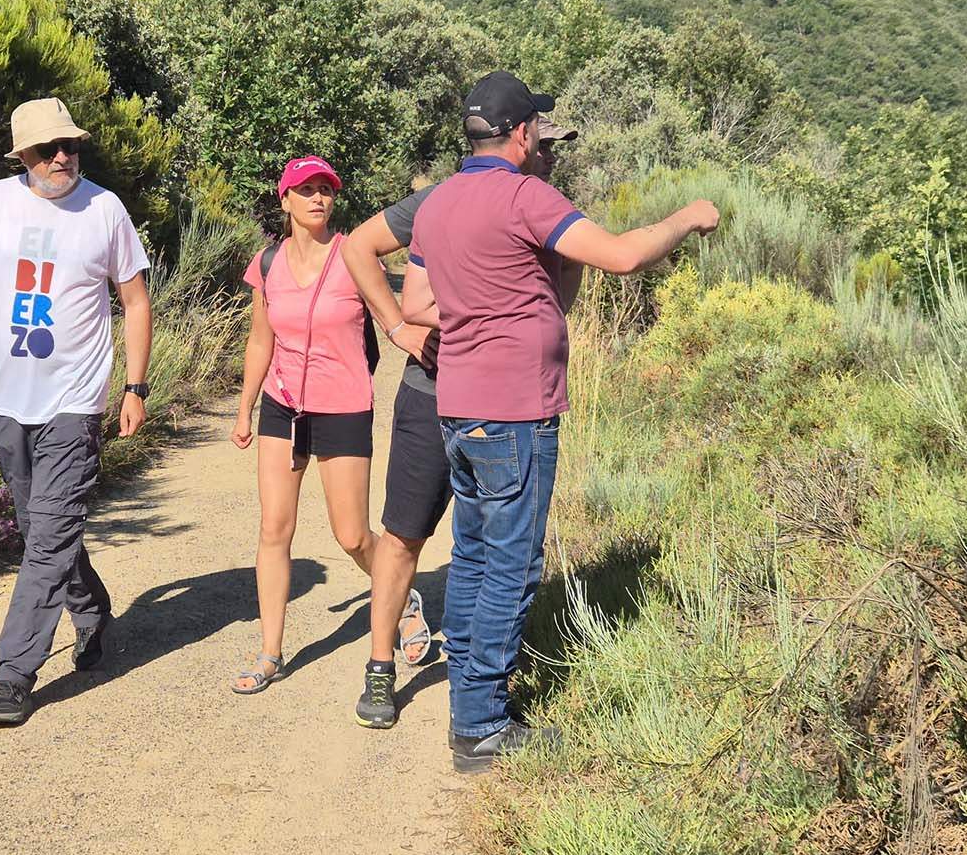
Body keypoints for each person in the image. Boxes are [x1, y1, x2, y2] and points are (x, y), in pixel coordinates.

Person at [403, 71, 718, 772]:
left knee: (476, 556)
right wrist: (690, 215)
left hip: (457, 403)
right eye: (537, 129)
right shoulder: (525, 194)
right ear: (522, 133)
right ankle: (481, 723)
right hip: (515, 410)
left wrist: (493, 296)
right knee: (512, 564)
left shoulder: (437, 203)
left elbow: (417, 302)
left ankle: (471, 702)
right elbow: (626, 255)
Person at [340, 118, 580, 730]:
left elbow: (553, 306)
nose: (549, 157)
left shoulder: (549, 213)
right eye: (543, 144)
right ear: (517, 139)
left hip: (497, 401)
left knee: (475, 546)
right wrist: (399, 328)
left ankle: (472, 688)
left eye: (557, 148)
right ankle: (380, 668)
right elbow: (358, 246)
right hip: (433, 393)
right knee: (404, 534)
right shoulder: (440, 198)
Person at [0, 96, 153, 725]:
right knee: (39, 528)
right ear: (23, 156)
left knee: (47, 535)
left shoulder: (104, 209)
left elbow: (134, 300)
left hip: (75, 402)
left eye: (70, 146)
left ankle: (13, 675)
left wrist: (135, 387)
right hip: (7, 401)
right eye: (49, 149)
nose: (62, 157)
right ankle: (91, 610)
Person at [229, 156, 378, 693]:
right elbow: (260, 339)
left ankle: (399, 591)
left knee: (352, 535)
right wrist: (245, 406)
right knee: (274, 528)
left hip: (343, 404)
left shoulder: (355, 257)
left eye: (326, 190)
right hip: (282, 406)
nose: (318, 198)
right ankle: (271, 651)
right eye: (306, 189)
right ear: (285, 198)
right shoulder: (266, 264)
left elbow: (392, 315)